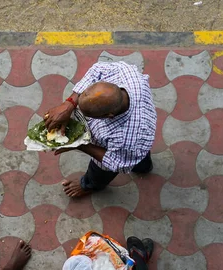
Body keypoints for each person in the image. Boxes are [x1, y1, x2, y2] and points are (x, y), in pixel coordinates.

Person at [44, 61, 157, 197]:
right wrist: (70, 103)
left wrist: (79, 144)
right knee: (138, 158)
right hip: (134, 144)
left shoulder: (129, 139)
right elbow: (98, 69)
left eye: (89, 115)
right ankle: (143, 166)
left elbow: (118, 163)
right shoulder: (123, 72)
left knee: (103, 171)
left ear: (108, 116)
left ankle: (89, 185)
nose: (78, 110)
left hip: (130, 146)